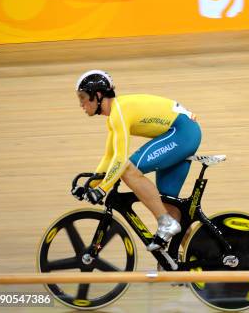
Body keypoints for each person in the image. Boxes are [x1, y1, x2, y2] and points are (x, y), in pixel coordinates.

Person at [73, 70, 201, 251]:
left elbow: (120, 158)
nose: (81, 104)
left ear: (98, 95)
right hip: (183, 132)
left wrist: (102, 189)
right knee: (169, 207)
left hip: (182, 132)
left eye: (83, 98)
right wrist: (91, 186)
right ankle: (196, 256)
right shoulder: (114, 117)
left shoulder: (119, 112)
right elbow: (109, 157)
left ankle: (165, 223)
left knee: (127, 170)